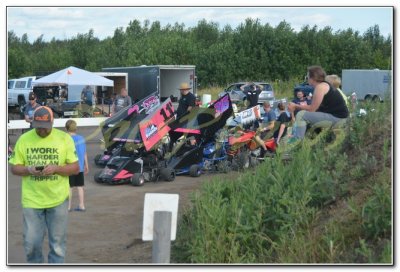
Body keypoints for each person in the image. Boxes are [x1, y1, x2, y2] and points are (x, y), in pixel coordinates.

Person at [9, 106, 79, 263]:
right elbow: (14, 168)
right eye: (38, 127)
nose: (41, 131)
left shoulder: (64, 138)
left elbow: (75, 168)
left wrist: (57, 168)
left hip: (58, 200)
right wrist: (28, 169)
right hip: (32, 201)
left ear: (52, 122)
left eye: (45, 128)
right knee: (31, 244)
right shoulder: (24, 139)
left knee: (58, 245)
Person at [288, 66, 349, 140]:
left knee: (301, 115)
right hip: (339, 117)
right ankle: (305, 140)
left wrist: (295, 105)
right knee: (309, 117)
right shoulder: (324, 85)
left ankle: (296, 141)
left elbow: (312, 109)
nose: (307, 79)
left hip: (339, 119)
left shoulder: (320, 87)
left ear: (312, 78)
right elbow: (317, 108)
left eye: (308, 77)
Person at [65, 120, 88, 212]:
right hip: (80, 167)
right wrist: (86, 165)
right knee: (80, 186)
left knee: (69, 187)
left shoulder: (66, 139)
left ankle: (68, 206)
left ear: (66, 128)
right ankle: (82, 205)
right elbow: (84, 152)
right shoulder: (81, 138)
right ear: (76, 128)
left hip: (70, 166)